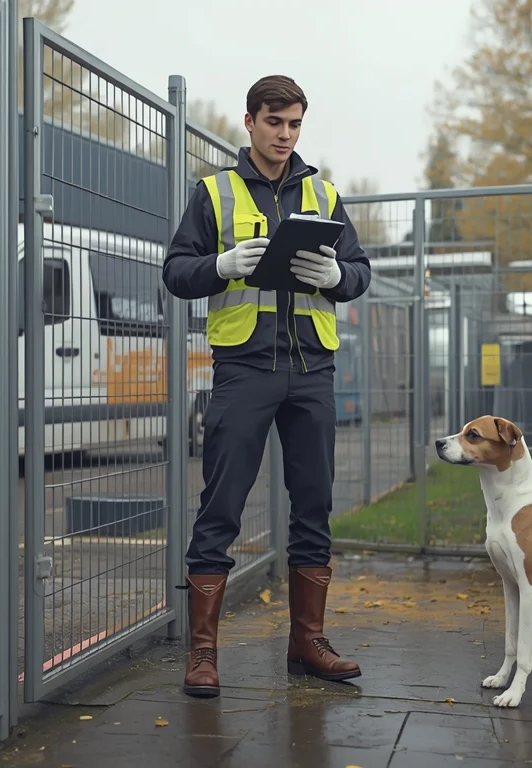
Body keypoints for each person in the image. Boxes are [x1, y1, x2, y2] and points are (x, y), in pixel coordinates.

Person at [162, 74, 373, 698]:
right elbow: (176, 271)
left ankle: (309, 642)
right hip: (244, 368)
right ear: (250, 121)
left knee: (314, 505)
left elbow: (360, 272)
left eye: (295, 124)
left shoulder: (324, 194)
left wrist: (337, 277)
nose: (285, 134)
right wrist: (220, 265)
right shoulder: (214, 192)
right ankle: (203, 652)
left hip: (313, 370)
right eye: (274, 122)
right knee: (222, 505)